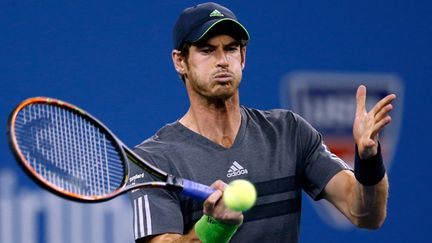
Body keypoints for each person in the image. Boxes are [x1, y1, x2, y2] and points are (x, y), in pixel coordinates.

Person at [128, 2, 396, 243]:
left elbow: (366, 215)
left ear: (242, 57)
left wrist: (368, 159)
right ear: (180, 62)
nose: (222, 61)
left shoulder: (288, 132)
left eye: (231, 49)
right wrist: (214, 228)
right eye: (207, 50)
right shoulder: (153, 159)